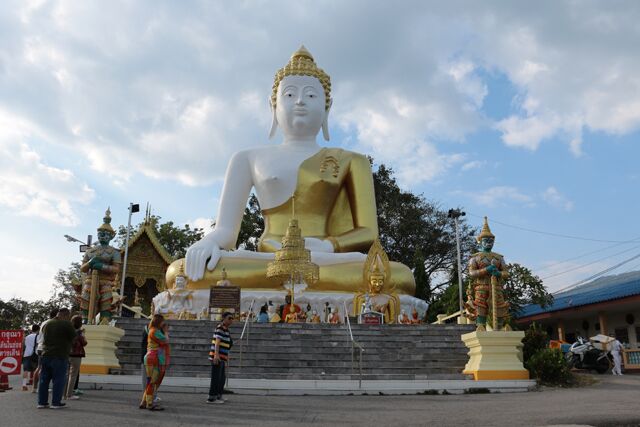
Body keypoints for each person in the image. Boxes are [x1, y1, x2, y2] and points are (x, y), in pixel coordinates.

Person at [37, 308, 76, 409]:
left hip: (45, 354)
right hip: (60, 355)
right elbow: (74, 338)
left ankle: (42, 402)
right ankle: (55, 403)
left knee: (44, 380)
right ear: (66, 315)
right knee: (58, 379)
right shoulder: (66, 324)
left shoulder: (47, 323)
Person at [140, 315, 170, 410]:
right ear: (158, 322)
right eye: (162, 322)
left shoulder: (152, 330)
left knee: (150, 382)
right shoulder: (155, 331)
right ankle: (150, 403)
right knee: (152, 382)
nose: (163, 323)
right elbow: (166, 341)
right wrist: (165, 331)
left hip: (150, 357)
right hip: (154, 358)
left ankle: (144, 402)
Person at [207, 312, 234, 404]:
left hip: (223, 357)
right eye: (229, 318)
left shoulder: (226, 329)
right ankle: (211, 397)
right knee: (216, 377)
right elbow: (217, 342)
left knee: (222, 378)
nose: (231, 320)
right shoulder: (220, 328)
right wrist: (216, 355)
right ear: (223, 318)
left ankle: (218, 395)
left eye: (232, 318)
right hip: (217, 357)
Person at [33, 308, 59, 393]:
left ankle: (35, 387)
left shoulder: (44, 322)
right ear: (56, 315)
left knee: (39, 367)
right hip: (46, 348)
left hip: (40, 347)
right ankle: (42, 387)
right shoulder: (51, 323)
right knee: (43, 369)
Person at [65, 315, 87, 400]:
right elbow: (84, 343)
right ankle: (69, 394)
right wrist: (83, 335)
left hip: (67, 353)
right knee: (73, 375)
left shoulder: (68, 331)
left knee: (66, 374)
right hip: (76, 355)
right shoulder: (79, 333)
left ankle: (64, 394)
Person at [22, 325, 40, 391]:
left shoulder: (27, 337)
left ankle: (24, 385)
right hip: (35, 354)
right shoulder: (38, 337)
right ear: (38, 329)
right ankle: (34, 387)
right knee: (36, 370)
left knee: (25, 370)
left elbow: (25, 345)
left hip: (27, 354)